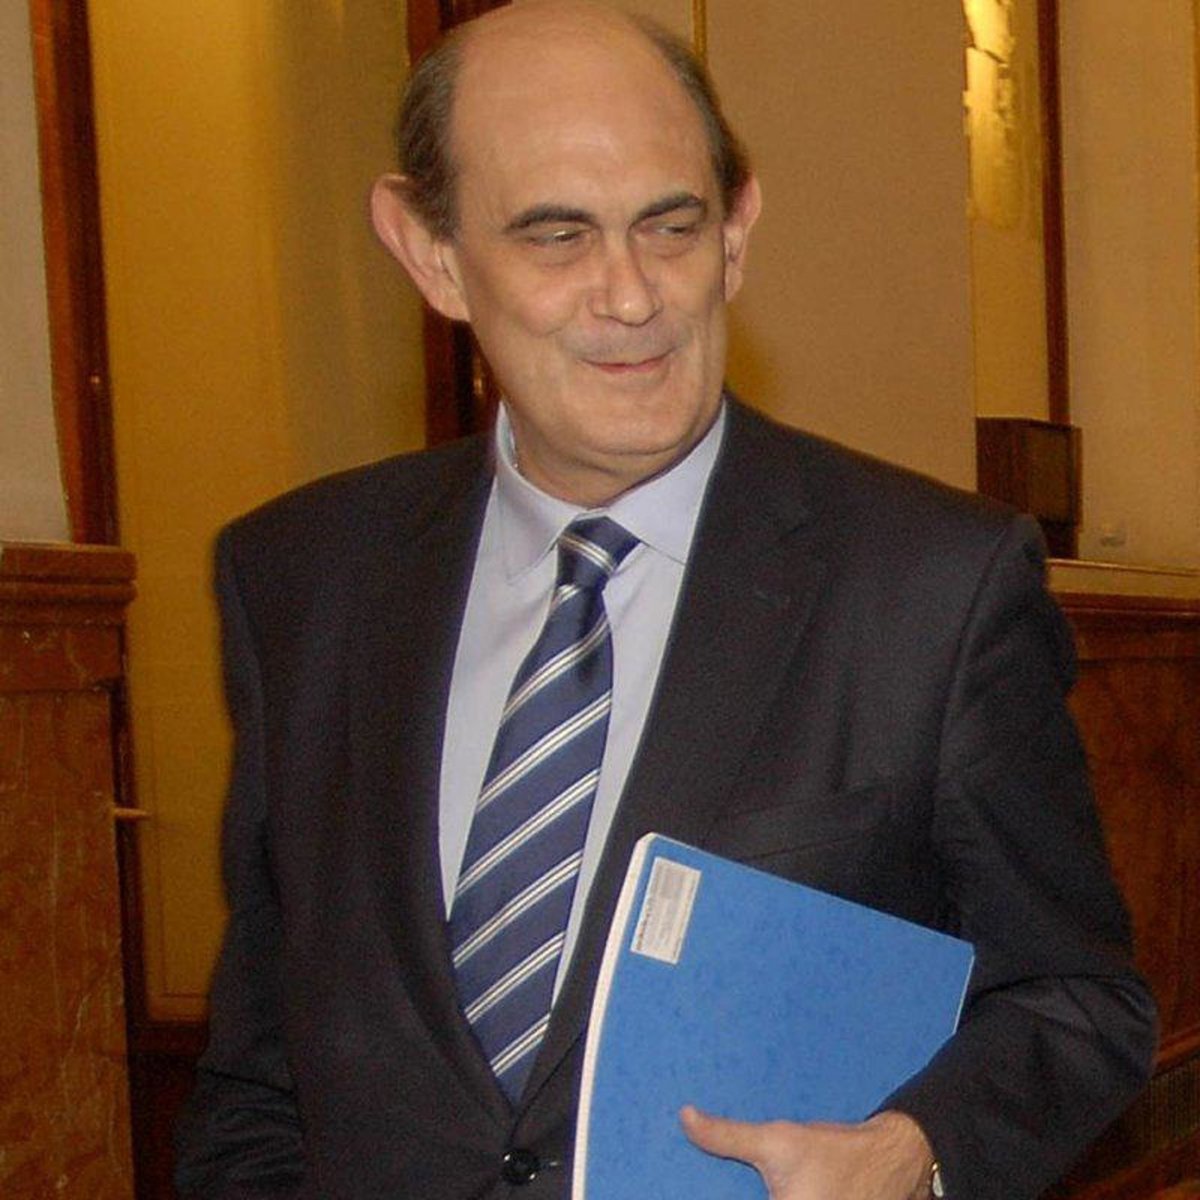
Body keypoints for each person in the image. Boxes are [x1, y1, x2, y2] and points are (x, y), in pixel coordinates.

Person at [174, 3, 1156, 1198]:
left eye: (670, 226)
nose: (631, 296)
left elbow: (1077, 1000)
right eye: (557, 237)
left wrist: (914, 1153)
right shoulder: (301, 579)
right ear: (430, 252)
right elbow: (260, 1072)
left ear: (736, 233)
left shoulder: (929, 589)